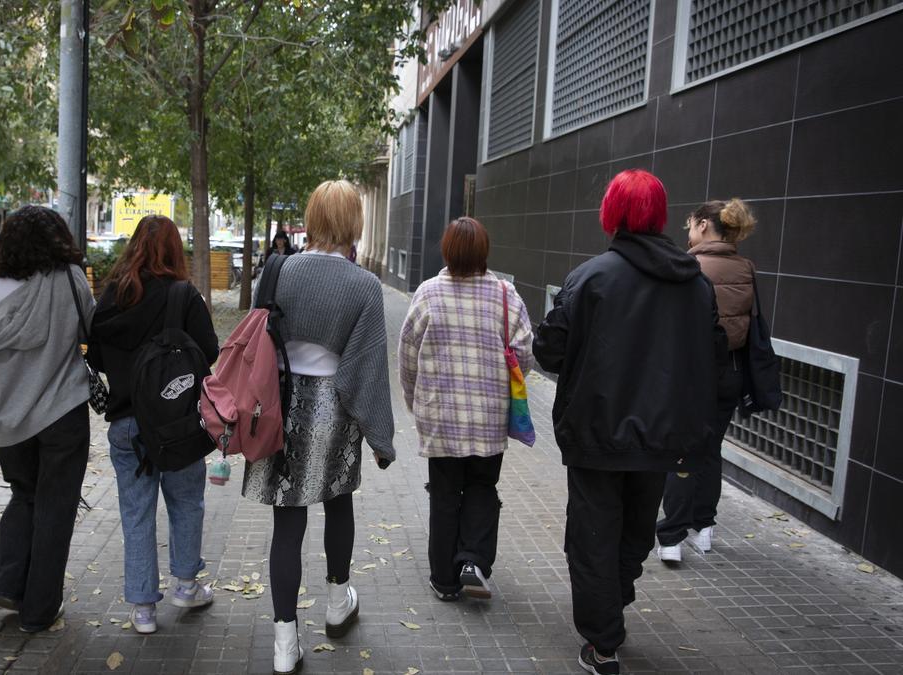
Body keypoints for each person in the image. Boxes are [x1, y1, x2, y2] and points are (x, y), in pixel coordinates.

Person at [533, 170, 727, 675]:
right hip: (663, 438)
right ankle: (610, 608)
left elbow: (548, 348)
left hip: (597, 434)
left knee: (592, 536)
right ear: (660, 215)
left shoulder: (593, 277)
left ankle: (603, 639)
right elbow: (712, 353)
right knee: (636, 531)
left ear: (612, 214)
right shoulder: (695, 285)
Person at [242, 180, 394, 675]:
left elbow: (258, 337)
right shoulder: (364, 285)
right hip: (334, 408)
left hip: (279, 404)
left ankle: (285, 643)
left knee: (287, 523)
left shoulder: (278, 269)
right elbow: (365, 369)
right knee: (338, 502)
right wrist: (381, 438)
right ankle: (335, 602)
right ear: (354, 223)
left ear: (310, 218)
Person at [87, 214, 219, 634]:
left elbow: (95, 357)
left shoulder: (111, 297)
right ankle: (186, 584)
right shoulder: (183, 296)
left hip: (127, 426)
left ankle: (143, 608)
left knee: (136, 514)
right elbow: (211, 351)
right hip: (178, 424)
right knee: (186, 503)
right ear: (175, 250)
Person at [0, 206, 94, 633]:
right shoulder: (73, 280)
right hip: (64, 411)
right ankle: (39, 612)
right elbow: (88, 332)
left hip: (10, 419)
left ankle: (8, 584)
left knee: (24, 495)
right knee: (55, 510)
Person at [399, 217, 534, 602]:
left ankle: (444, 579)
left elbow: (407, 356)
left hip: (441, 415)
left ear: (447, 250)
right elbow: (524, 354)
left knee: (444, 494)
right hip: (489, 418)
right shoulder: (506, 295)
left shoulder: (427, 293)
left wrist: (413, 400)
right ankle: (473, 559)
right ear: (484, 251)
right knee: (482, 486)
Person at [657, 199, 758, 563]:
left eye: (690, 224)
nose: (687, 232)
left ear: (702, 225)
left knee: (681, 450)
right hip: (730, 372)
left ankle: (671, 537)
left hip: (692, 374)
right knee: (710, 448)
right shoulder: (745, 267)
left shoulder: (691, 267)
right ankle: (704, 528)